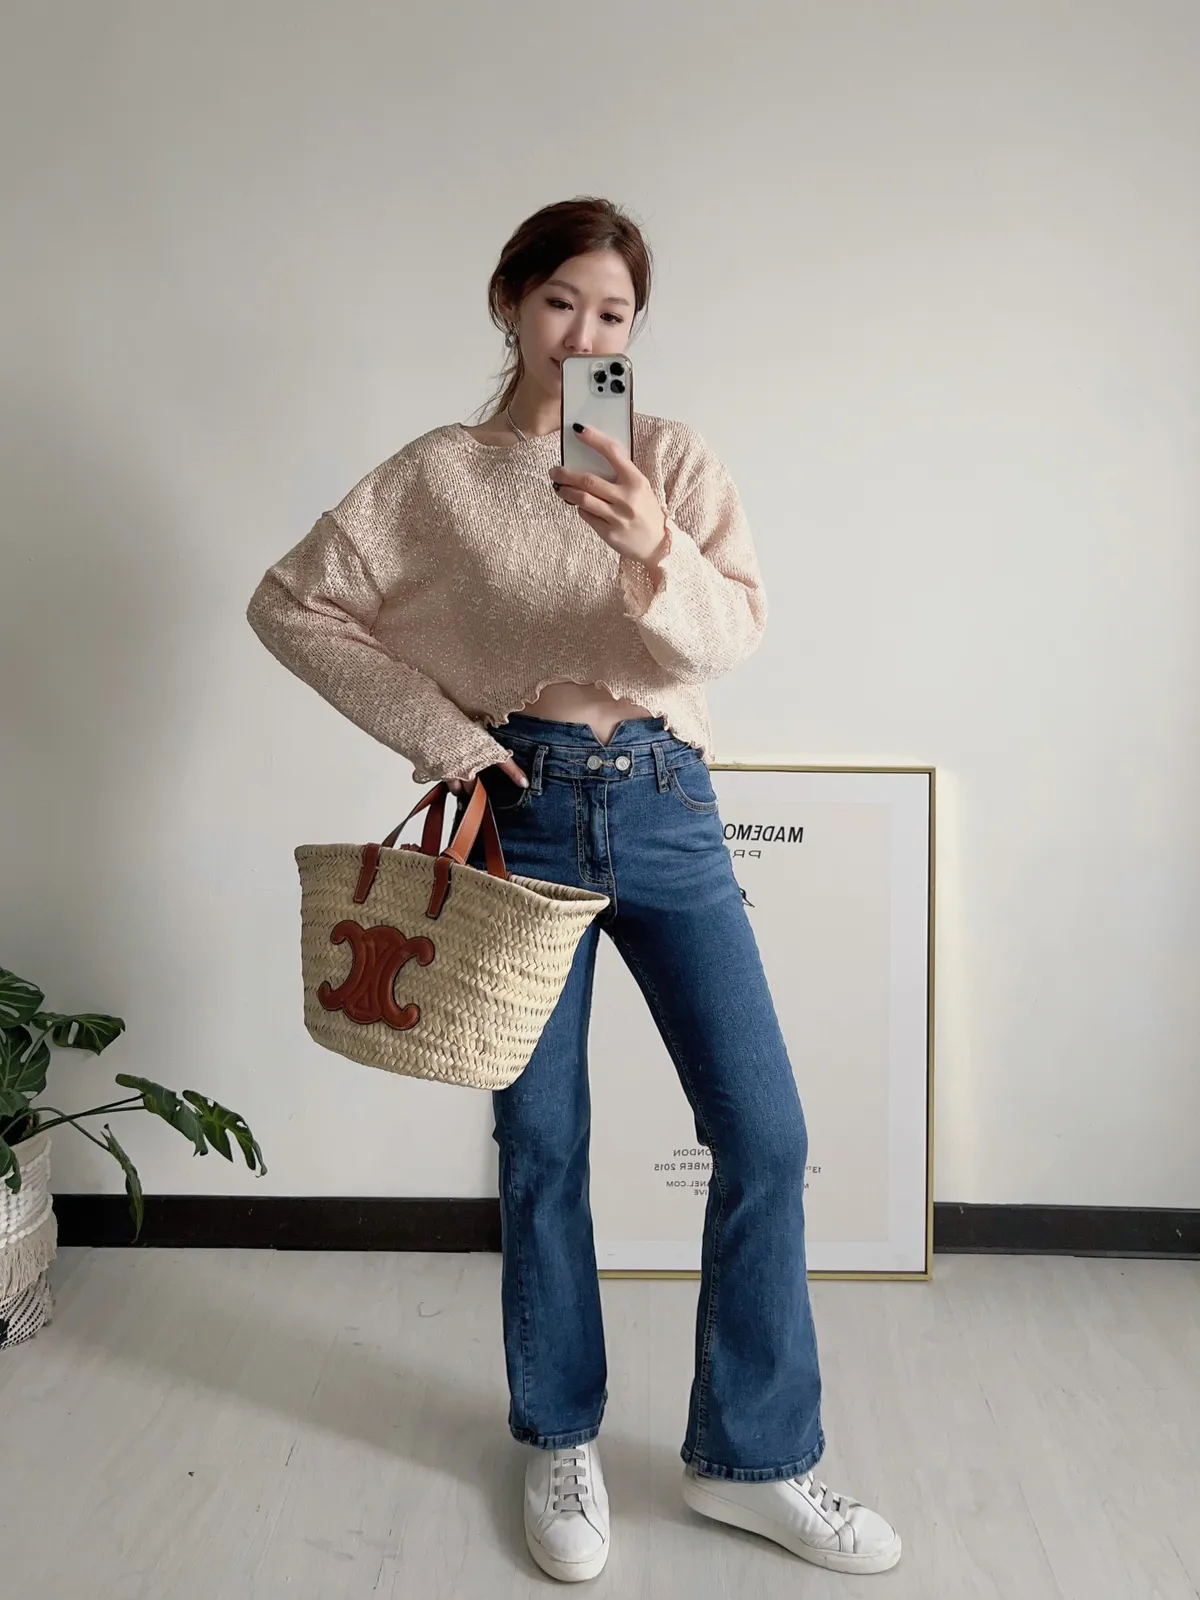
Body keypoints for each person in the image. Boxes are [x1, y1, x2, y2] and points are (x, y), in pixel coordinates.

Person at [246, 197, 902, 1582]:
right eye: (562, 303)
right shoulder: (438, 475)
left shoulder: (671, 456)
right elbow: (290, 602)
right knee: (542, 1144)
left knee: (766, 1134)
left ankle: (751, 1461)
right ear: (509, 301)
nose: (585, 335)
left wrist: (656, 541)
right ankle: (558, 1438)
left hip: (667, 803)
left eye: (614, 316)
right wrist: (450, 740)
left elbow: (732, 635)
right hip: (525, 810)